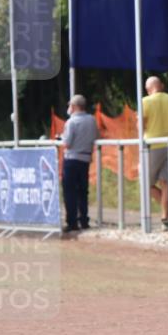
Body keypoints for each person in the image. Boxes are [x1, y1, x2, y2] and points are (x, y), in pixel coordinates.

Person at [142, 76, 168, 229]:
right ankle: (166, 216)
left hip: (152, 145)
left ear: (148, 89)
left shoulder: (145, 101)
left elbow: (141, 125)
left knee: (146, 183)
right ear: (162, 86)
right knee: (166, 183)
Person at [60, 94, 99, 232]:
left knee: (69, 191)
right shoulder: (92, 120)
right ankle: (84, 220)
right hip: (85, 160)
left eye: (70, 105)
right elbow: (95, 136)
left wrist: (62, 138)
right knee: (83, 191)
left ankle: (72, 222)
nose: (69, 108)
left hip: (71, 159)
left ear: (75, 106)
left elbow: (67, 143)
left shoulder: (71, 122)